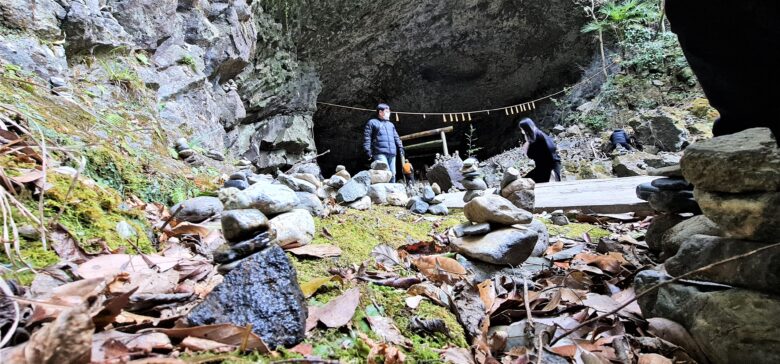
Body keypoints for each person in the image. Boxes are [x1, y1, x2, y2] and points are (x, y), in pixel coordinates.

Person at [363, 103, 405, 182]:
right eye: (386, 111)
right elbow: (367, 137)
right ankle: (385, 192)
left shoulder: (391, 125)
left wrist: (400, 147)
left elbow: (396, 137)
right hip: (379, 152)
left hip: (392, 153)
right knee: (386, 173)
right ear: (380, 112)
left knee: (393, 173)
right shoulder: (372, 122)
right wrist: (367, 150)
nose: (389, 113)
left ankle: (393, 192)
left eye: (389, 111)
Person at [518, 118, 561, 183]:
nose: (521, 131)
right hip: (545, 166)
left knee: (525, 183)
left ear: (526, 129)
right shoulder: (537, 135)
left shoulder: (538, 137)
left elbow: (531, 154)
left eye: (522, 129)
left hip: (548, 167)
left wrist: (527, 147)